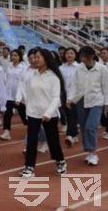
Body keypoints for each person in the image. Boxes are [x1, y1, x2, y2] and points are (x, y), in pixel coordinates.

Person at [18, 49, 67, 178]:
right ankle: (29, 167)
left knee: (53, 141)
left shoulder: (53, 77)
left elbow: (56, 98)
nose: (35, 60)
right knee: (31, 141)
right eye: (34, 57)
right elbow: (29, 94)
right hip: (33, 113)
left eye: (38, 57)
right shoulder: (32, 75)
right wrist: (28, 110)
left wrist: (48, 113)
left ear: (46, 59)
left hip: (49, 114)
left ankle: (60, 161)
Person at [67, 46, 108, 166]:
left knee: (91, 126)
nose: (82, 59)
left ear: (91, 56)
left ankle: (93, 152)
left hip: (97, 101)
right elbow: (73, 84)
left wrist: (107, 104)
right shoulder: (79, 68)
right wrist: (70, 98)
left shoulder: (102, 69)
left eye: (83, 56)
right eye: (80, 56)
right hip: (81, 101)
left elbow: (106, 87)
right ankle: (89, 152)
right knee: (84, 127)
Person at [0, 50, 27, 141]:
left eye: (15, 55)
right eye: (12, 55)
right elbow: (5, 78)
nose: (13, 57)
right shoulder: (9, 66)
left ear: (20, 57)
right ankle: (6, 132)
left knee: (23, 114)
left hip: (20, 96)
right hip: (9, 95)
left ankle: (31, 128)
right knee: (7, 114)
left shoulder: (23, 67)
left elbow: (24, 82)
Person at [60, 48, 80, 147]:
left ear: (75, 55)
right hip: (65, 94)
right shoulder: (61, 67)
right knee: (69, 116)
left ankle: (69, 135)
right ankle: (75, 134)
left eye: (71, 53)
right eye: (67, 53)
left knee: (73, 115)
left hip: (76, 96)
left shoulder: (79, 67)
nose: (69, 55)